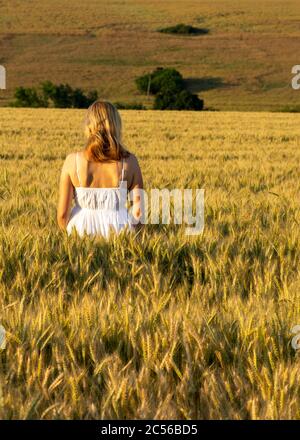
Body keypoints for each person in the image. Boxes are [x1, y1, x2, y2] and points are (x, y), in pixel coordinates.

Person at [57, 100, 143, 237]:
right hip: (119, 233)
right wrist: (130, 238)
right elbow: (139, 212)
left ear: (89, 126)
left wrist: (70, 237)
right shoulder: (130, 162)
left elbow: (62, 215)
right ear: (116, 125)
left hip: (80, 232)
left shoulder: (72, 161)